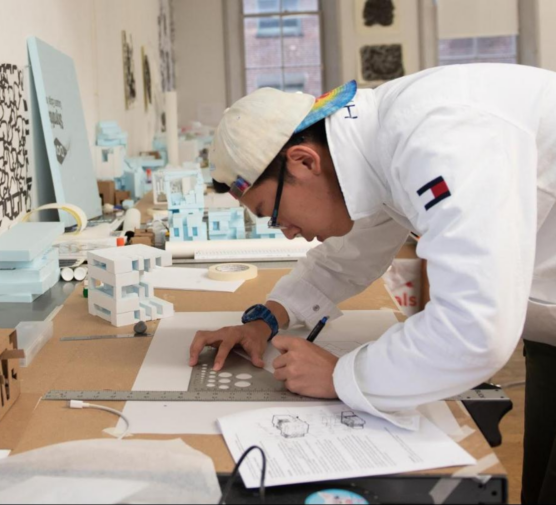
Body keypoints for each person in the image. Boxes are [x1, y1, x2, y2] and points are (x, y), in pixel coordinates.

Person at [188, 64, 556, 504]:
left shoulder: (438, 134)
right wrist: (265, 320)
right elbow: (348, 257)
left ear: (303, 161)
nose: (285, 231)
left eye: (272, 212)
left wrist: (342, 375)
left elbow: (475, 329)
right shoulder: (375, 149)